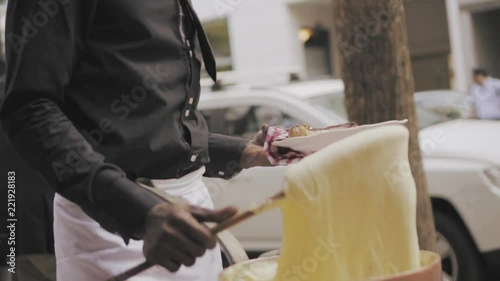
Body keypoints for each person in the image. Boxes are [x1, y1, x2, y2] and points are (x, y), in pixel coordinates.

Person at [1, 1, 271, 280]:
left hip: (187, 219)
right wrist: (139, 213)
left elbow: (153, 127)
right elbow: (29, 111)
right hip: (109, 230)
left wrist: (241, 152)